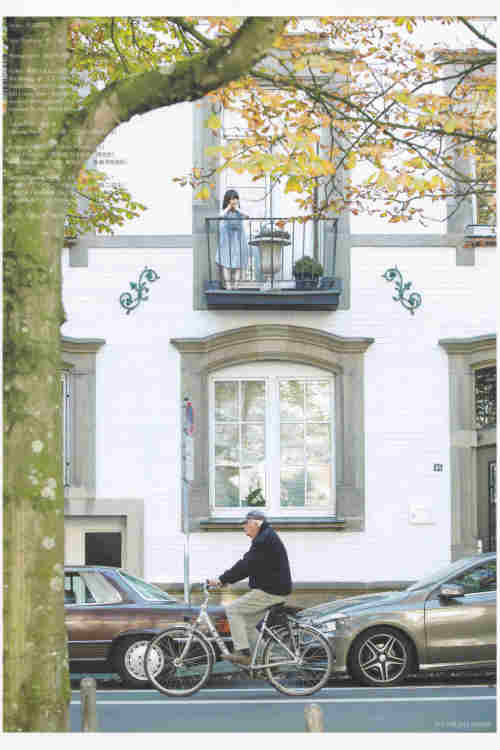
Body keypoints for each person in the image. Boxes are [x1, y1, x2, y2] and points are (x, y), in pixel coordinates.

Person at [208, 509, 292, 666]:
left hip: (270, 591)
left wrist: (221, 579)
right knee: (246, 625)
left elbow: (246, 565)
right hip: (274, 589)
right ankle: (268, 662)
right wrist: (225, 580)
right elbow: (248, 564)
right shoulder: (265, 537)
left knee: (232, 609)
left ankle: (243, 653)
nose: (244, 528)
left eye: (246, 524)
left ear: (256, 523)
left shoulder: (263, 540)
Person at [216, 189, 251, 289]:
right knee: (225, 261)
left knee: (238, 262)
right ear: (227, 200)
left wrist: (237, 209)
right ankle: (228, 286)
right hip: (227, 241)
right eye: (232, 199)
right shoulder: (225, 212)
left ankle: (236, 285)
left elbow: (247, 216)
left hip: (238, 240)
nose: (234, 201)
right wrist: (228, 207)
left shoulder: (239, 212)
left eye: (236, 198)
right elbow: (220, 216)